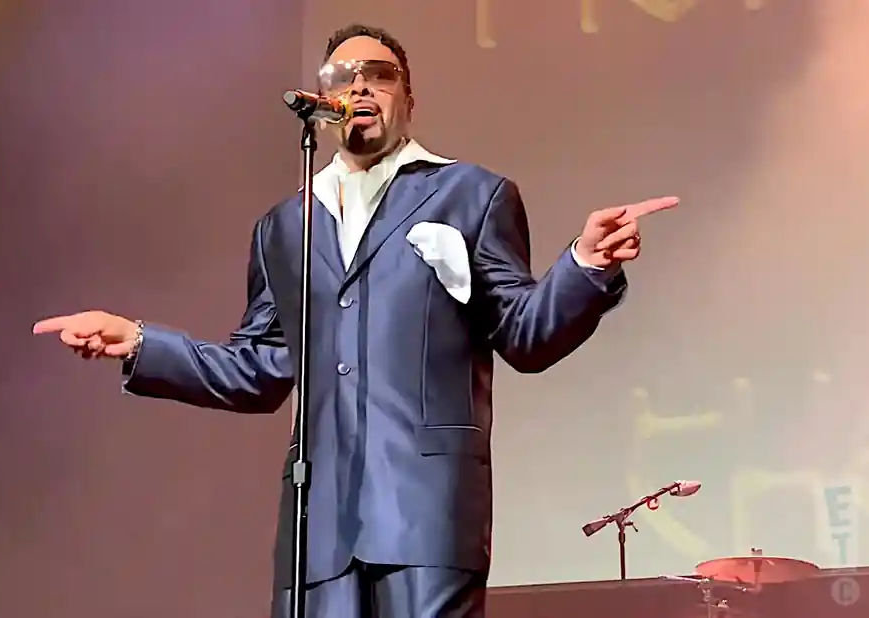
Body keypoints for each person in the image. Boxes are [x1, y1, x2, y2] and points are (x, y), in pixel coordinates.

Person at [33, 23, 677, 618]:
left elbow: (525, 334)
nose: (359, 85)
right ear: (322, 100)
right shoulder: (286, 226)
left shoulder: (471, 193)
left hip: (427, 511)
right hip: (318, 526)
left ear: (408, 98)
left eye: (379, 73)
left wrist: (585, 263)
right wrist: (138, 342)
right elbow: (259, 369)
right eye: (342, 76)